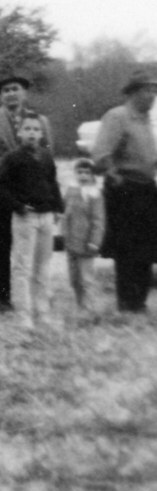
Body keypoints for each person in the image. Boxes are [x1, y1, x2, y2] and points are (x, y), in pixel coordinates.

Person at [0, 74, 53, 313]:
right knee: (2, 245)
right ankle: (3, 299)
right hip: (2, 194)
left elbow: (47, 156)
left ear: (24, 92)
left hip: (32, 195)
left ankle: (36, 297)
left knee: (33, 248)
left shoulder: (39, 121)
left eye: (15, 89)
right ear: (0, 95)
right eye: (5, 90)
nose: (11, 94)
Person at [91, 66, 157, 312]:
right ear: (133, 92)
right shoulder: (118, 116)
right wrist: (114, 176)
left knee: (147, 248)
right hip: (125, 190)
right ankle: (127, 303)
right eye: (147, 90)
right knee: (127, 250)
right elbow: (101, 154)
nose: (152, 96)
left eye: (154, 90)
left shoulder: (146, 120)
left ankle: (139, 301)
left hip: (147, 189)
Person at [0, 114, 63, 329]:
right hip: (26, 217)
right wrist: (18, 206)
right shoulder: (12, 158)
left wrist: (58, 207)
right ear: (20, 132)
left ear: (41, 133)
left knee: (43, 266)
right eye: (28, 129)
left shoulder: (46, 156)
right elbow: (0, 188)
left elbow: (52, 183)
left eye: (36, 129)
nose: (32, 133)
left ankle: (41, 311)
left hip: (46, 216)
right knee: (23, 266)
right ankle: (24, 314)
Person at [60, 158, 105, 313]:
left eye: (87, 173)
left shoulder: (95, 194)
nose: (83, 176)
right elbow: (64, 211)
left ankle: (90, 309)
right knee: (74, 279)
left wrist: (94, 241)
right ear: (75, 174)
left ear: (93, 175)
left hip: (86, 243)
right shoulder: (71, 190)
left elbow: (98, 220)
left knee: (86, 278)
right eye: (80, 172)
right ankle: (80, 306)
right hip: (71, 242)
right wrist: (62, 229)